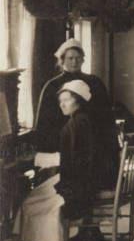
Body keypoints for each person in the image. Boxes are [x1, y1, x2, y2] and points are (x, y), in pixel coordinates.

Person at [13, 80, 96, 241]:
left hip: (77, 181)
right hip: (79, 177)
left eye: (66, 100)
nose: (62, 105)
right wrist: (37, 158)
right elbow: (71, 157)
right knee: (37, 195)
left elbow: (70, 160)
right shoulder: (80, 121)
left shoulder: (75, 125)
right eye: (60, 101)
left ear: (78, 100)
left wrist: (34, 158)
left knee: (32, 201)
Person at [34, 38, 118, 188]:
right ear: (62, 60)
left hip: (92, 144)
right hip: (64, 144)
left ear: (83, 60)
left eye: (78, 58)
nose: (74, 62)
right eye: (70, 58)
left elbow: (106, 118)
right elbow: (45, 123)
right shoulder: (52, 86)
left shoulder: (95, 82)